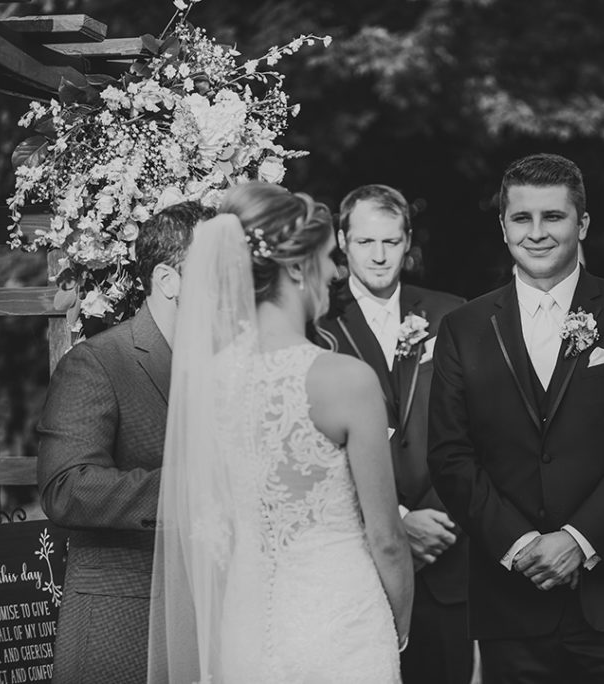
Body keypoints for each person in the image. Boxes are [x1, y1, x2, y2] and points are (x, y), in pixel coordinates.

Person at [428, 153, 604, 683]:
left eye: (554, 217)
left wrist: (578, 539)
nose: (537, 232)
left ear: (582, 224)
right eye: (522, 218)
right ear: (503, 226)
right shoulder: (463, 327)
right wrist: (520, 546)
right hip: (513, 608)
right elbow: (450, 455)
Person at [146, 182, 413, 683]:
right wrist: (397, 626)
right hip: (341, 628)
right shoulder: (345, 379)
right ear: (295, 266)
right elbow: (388, 540)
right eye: (330, 258)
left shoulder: (205, 382)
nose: (335, 273)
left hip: (244, 631)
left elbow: (209, 529)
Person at [37, 201, 213, 684]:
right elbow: (66, 487)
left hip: (213, 629)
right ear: (169, 280)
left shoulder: (228, 365)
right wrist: (191, 490)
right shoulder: (98, 362)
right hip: (124, 625)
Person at [313, 184, 471, 684]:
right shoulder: (317, 319)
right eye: (365, 242)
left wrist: (443, 518)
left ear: (408, 242)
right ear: (342, 241)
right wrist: (397, 517)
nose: (379, 256)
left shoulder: (453, 314)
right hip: (356, 555)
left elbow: (481, 425)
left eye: (391, 241)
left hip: (447, 550)